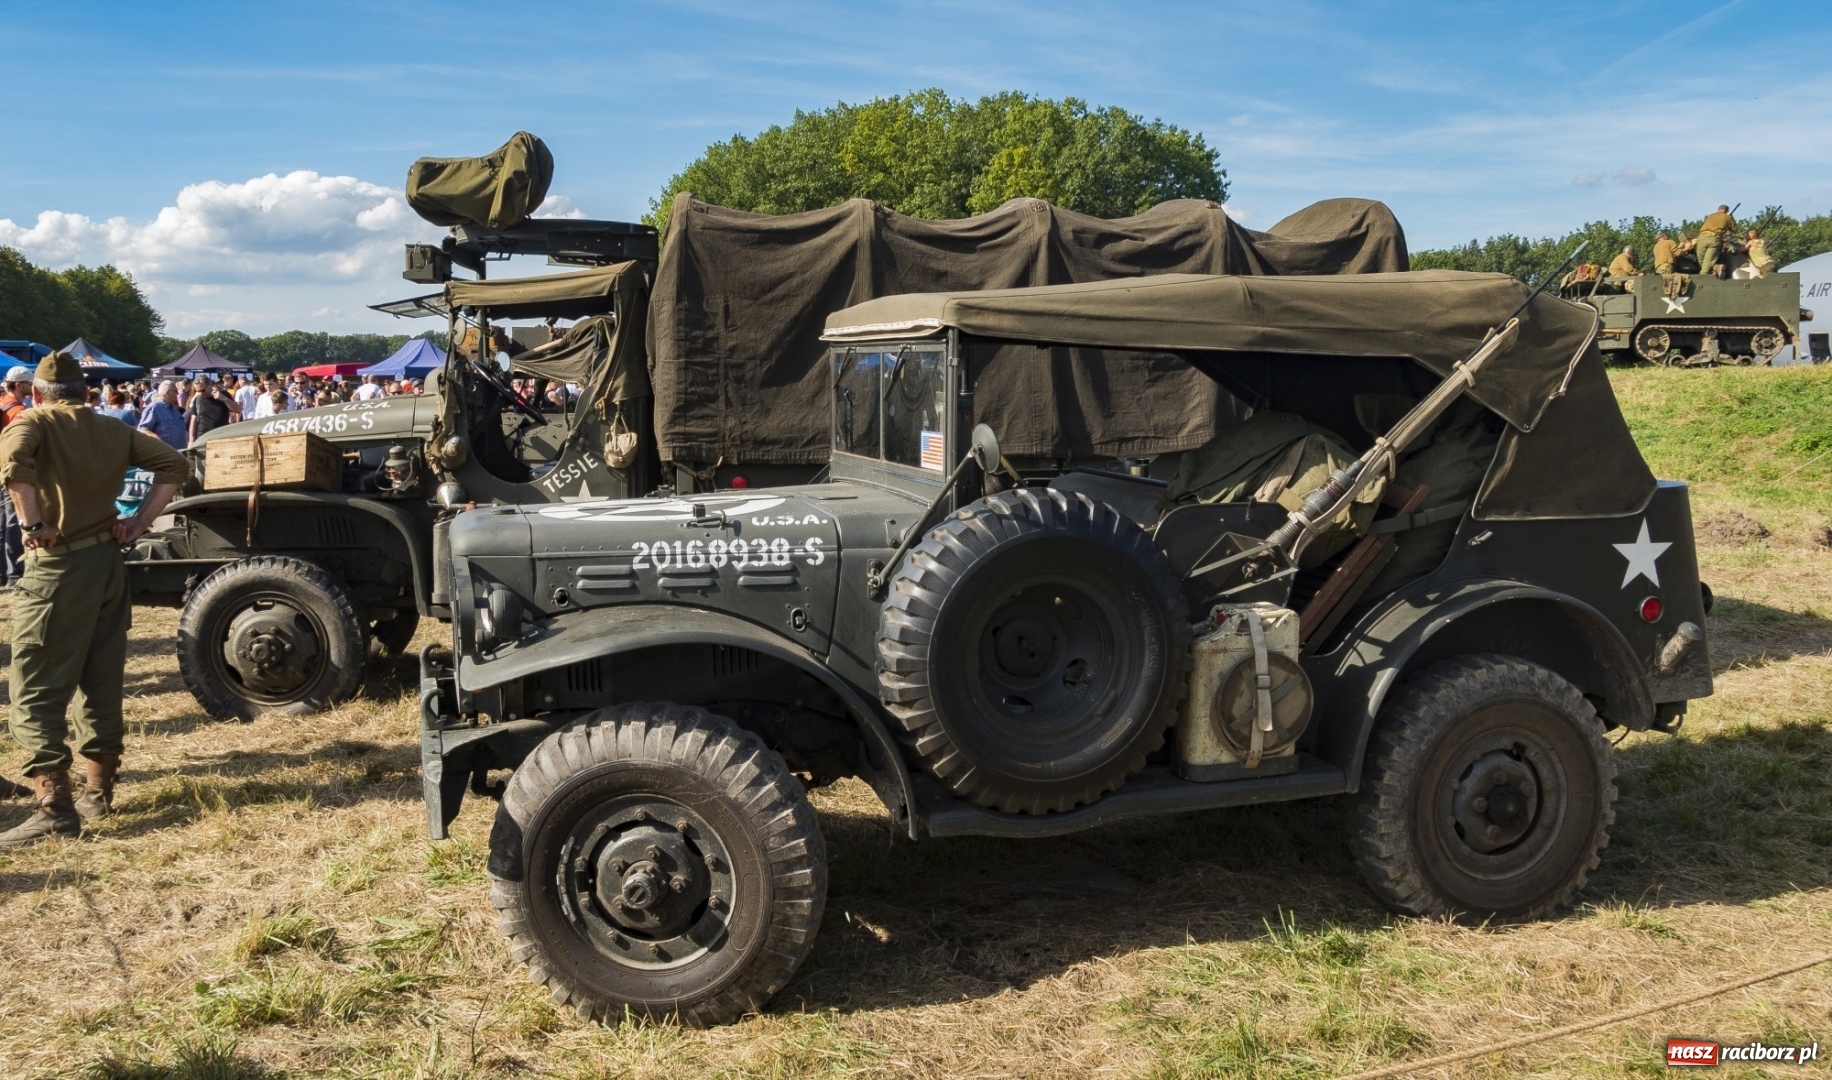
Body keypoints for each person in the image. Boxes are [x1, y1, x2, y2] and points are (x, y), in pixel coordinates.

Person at [0, 351, 188, 849]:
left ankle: (54, 807)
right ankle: (98, 791)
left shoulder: (33, 422)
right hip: (107, 564)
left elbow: (14, 463)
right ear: (85, 392)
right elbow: (174, 464)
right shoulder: (112, 430)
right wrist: (139, 522)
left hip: (58, 566)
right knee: (100, 678)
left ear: (37, 393)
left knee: (35, 685)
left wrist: (33, 524)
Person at [0, 367, 32, 588]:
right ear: (19, 384)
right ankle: (15, 574)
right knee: (14, 522)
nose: (33, 387)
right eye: (29, 383)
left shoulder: (2, 404)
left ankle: (3, 573)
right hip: (11, 472)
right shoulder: (18, 412)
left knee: (3, 523)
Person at [137, 380, 186, 449]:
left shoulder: (175, 409)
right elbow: (142, 429)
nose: (178, 393)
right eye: (175, 391)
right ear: (168, 393)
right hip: (164, 454)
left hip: (179, 453)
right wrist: (157, 439)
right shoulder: (154, 408)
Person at [184, 378, 231, 445]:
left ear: (210, 385)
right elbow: (193, 420)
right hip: (203, 437)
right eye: (197, 391)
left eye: (202, 390)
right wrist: (191, 441)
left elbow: (237, 409)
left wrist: (224, 399)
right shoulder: (198, 399)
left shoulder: (223, 395)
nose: (200, 393)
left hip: (221, 436)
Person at [1697, 204, 1737, 277]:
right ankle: (1712, 270)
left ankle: (1706, 274)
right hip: (1714, 239)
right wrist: (1731, 218)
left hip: (1702, 237)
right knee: (1708, 262)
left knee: (1701, 260)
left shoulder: (1710, 216)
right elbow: (1735, 230)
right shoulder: (1728, 217)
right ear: (1727, 211)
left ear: (1718, 209)